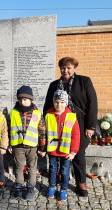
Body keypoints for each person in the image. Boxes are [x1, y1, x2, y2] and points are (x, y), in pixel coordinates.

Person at [43, 57, 98, 197]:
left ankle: (81, 183)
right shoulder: (54, 84)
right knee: (56, 154)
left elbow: (92, 104)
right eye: (63, 68)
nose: (65, 70)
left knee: (78, 152)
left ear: (74, 68)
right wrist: (45, 125)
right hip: (58, 123)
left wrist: (90, 126)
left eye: (68, 68)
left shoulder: (84, 81)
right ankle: (57, 182)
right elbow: (48, 105)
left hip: (79, 122)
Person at [8, 86, 46, 200]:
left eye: (25, 99)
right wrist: (10, 144)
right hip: (18, 145)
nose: (23, 102)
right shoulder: (13, 113)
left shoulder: (37, 113)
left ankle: (30, 187)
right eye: (20, 99)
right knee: (19, 167)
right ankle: (19, 186)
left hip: (32, 146)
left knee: (32, 167)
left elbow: (42, 131)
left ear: (31, 99)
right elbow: (9, 129)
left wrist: (42, 147)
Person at [44, 90, 80, 201]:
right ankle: (52, 187)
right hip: (52, 149)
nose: (59, 105)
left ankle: (63, 189)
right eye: (56, 102)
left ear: (66, 103)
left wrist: (73, 151)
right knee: (52, 169)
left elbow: (76, 134)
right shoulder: (48, 114)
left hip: (66, 150)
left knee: (65, 170)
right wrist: (43, 148)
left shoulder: (71, 116)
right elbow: (43, 132)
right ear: (53, 102)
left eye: (62, 102)